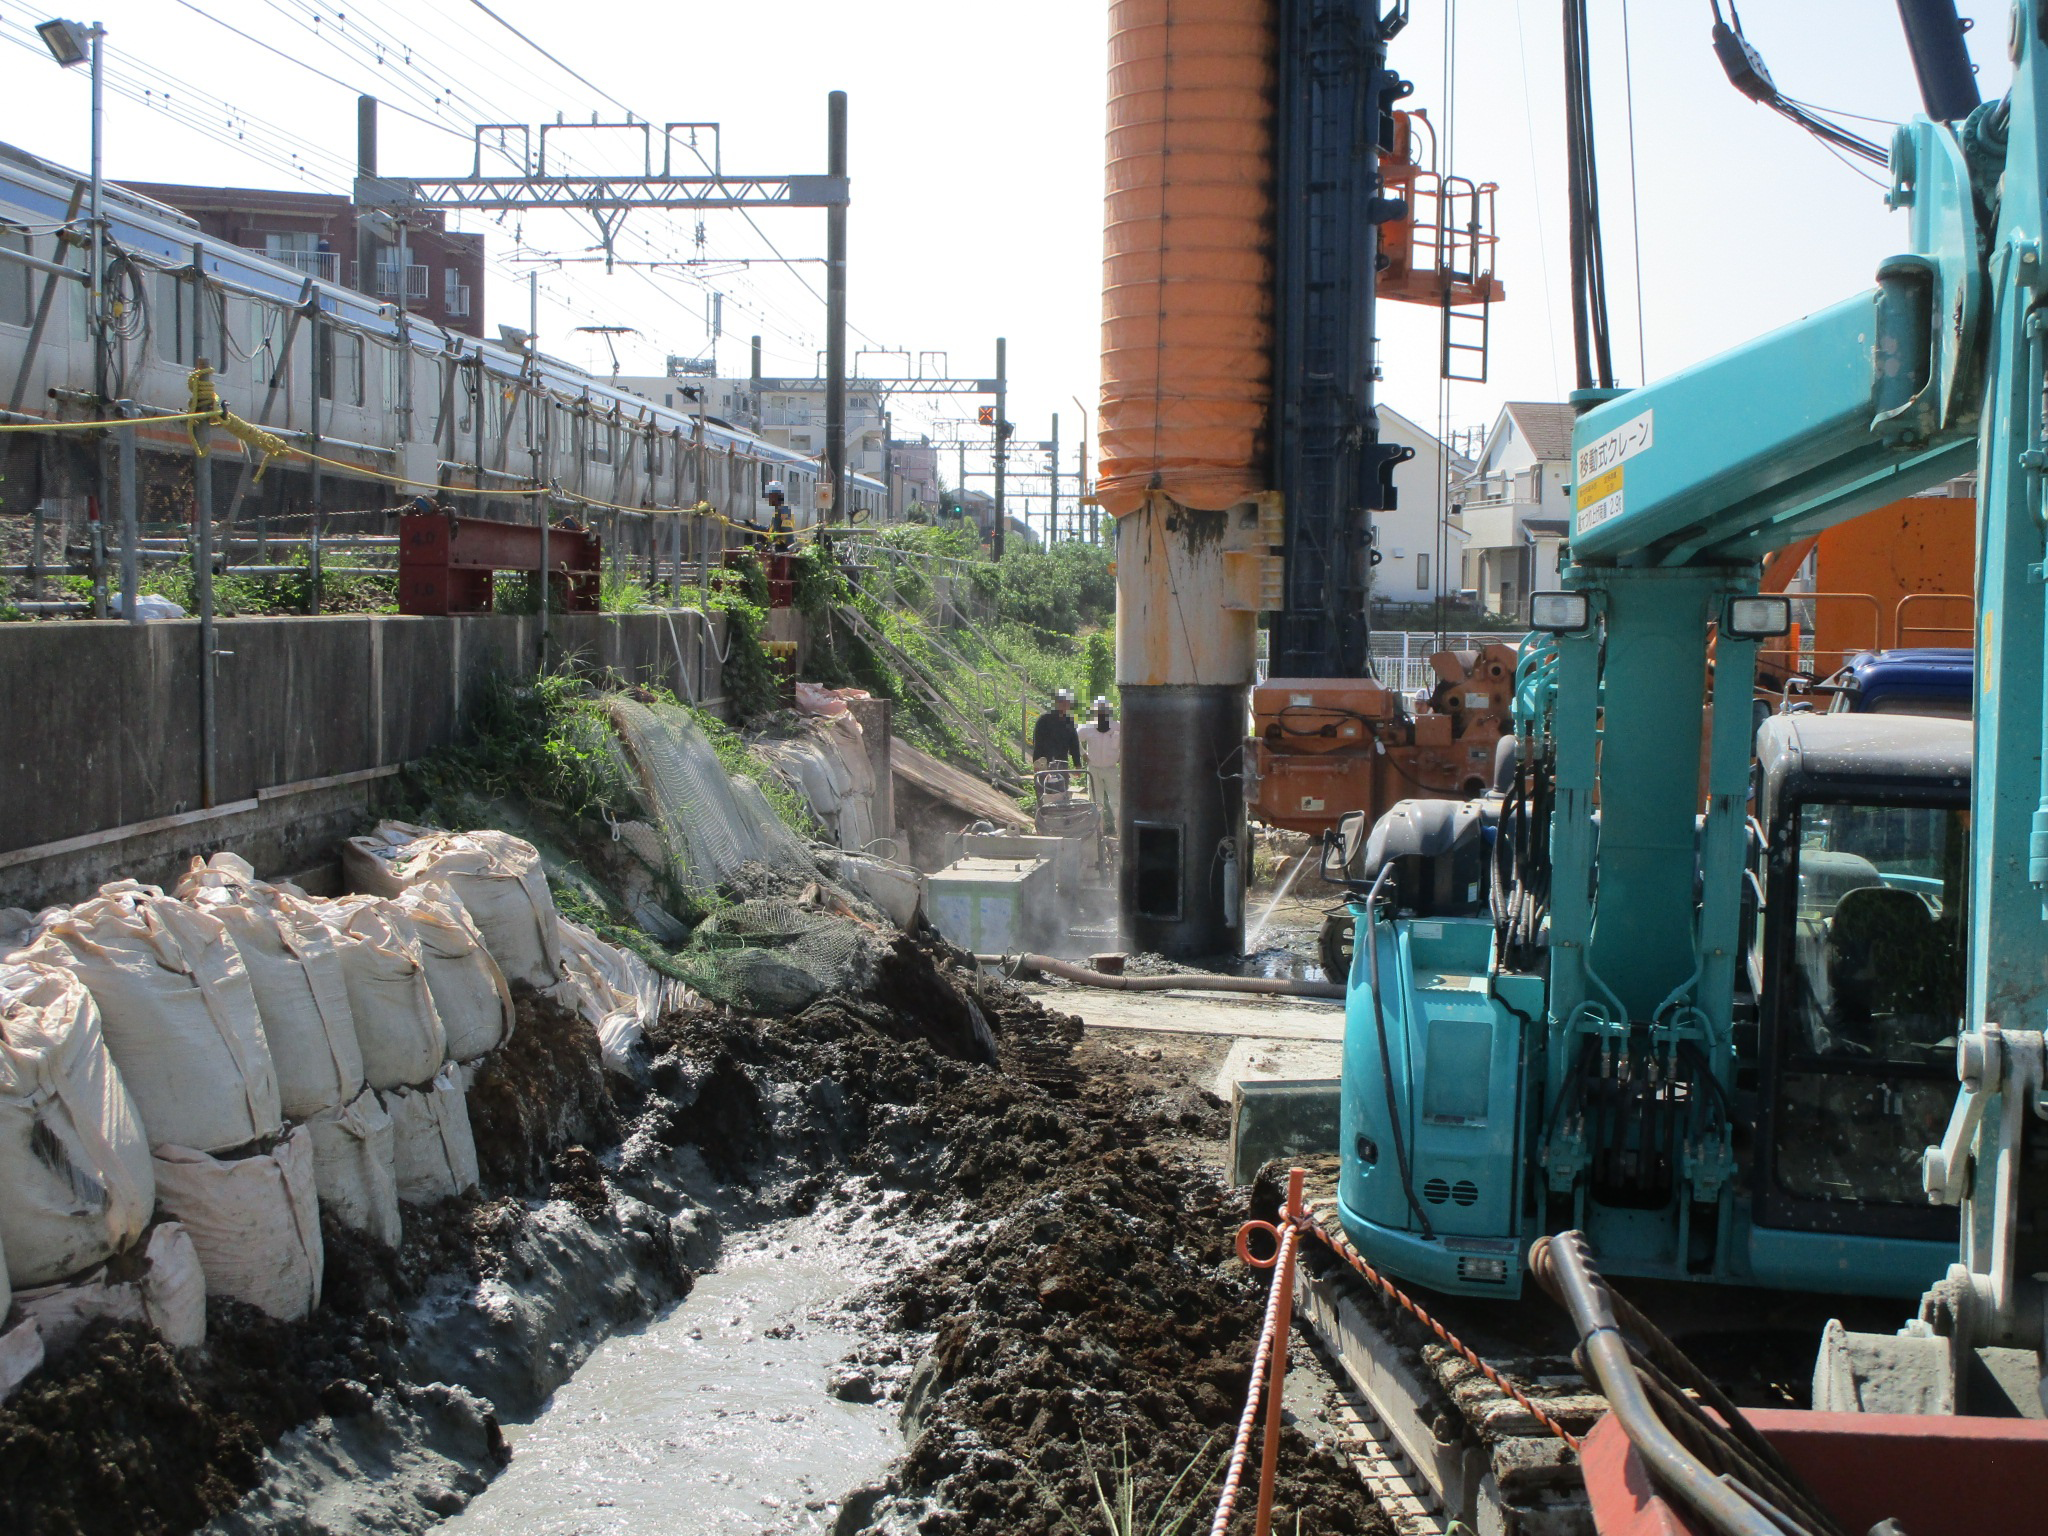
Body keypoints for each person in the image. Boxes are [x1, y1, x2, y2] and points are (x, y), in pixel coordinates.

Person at [1083, 695, 1121, 827]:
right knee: (1096, 803)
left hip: (1111, 769)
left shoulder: (1117, 727)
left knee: (1116, 803)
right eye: (1099, 710)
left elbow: (1128, 741)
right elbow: (1073, 738)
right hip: (1094, 770)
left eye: (1103, 710)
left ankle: (1120, 834)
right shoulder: (1087, 728)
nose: (1101, 712)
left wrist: (1122, 755)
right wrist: (1082, 753)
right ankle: (1098, 834)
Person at [1031, 687, 1082, 775]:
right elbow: (1037, 743)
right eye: (1062, 702)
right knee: (1044, 788)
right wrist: (1037, 763)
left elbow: (1074, 744)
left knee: (1061, 787)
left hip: (1062, 764)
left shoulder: (1069, 722)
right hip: (1045, 764)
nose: (1065, 705)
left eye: (1068, 702)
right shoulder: (1044, 720)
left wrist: (1077, 764)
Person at [764, 480, 797, 552]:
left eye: (770, 496)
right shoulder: (777, 510)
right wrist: (750, 525)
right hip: (777, 546)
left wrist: (790, 549)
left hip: (782, 548)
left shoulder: (784, 510)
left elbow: (787, 532)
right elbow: (771, 529)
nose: (769, 498)